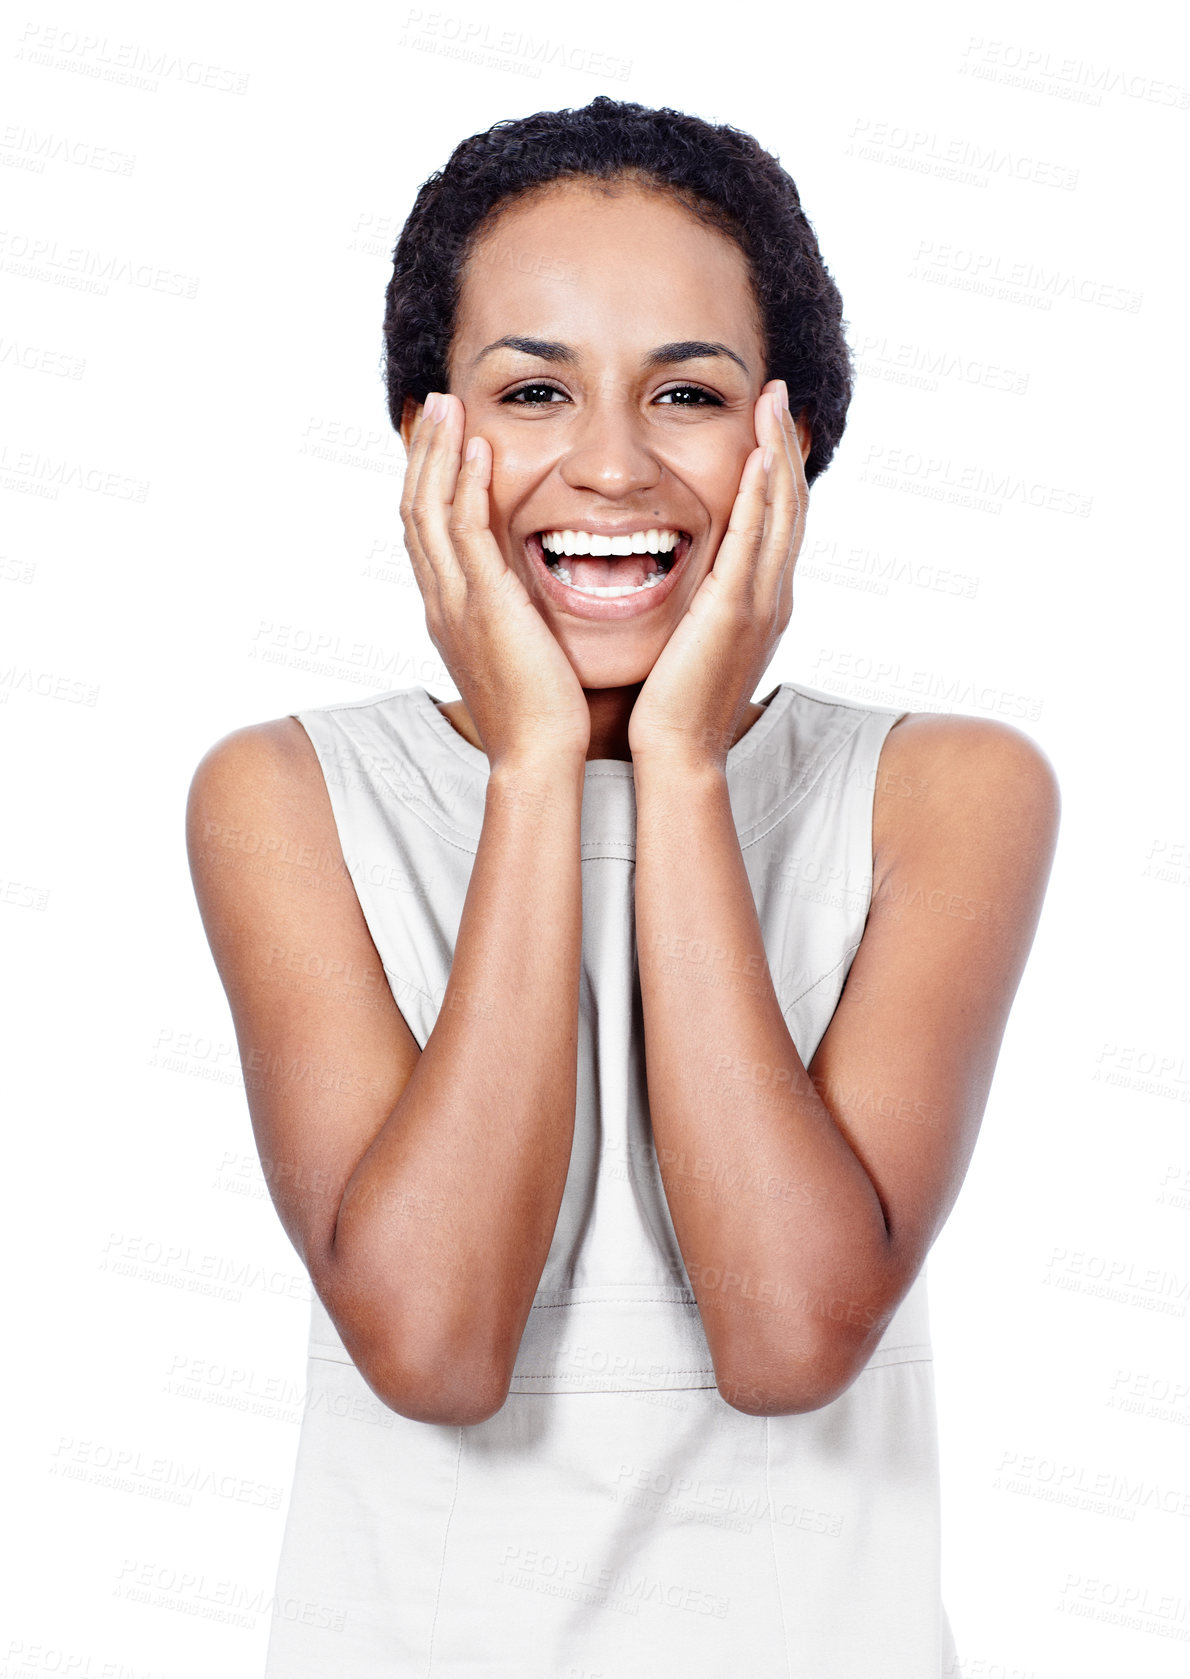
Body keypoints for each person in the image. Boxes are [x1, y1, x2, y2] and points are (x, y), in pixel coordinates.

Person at [186, 97, 1059, 1676]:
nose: (607, 462)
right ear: (421, 436)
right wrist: (534, 767)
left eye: (687, 392)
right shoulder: (285, 795)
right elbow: (439, 1350)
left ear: (790, 436)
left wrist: (683, 768)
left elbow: (788, 1338)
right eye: (531, 389)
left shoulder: (950, 794)